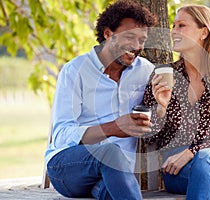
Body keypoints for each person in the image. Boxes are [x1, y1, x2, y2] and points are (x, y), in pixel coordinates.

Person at [45, 1, 157, 199]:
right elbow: (62, 135)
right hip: (68, 167)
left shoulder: (145, 70)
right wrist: (112, 128)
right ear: (107, 34)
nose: (137, 46)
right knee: (110, 152)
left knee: (108, 191)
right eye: (129, 37)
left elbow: (155, 125)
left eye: (142, 40)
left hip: (117, 174)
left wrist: (162, 103)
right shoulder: (75, 71)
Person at [143, 4, 210, 200]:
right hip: (178, 169)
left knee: (205, 159)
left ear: (204, 32)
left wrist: (193, 152)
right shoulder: (163, 76)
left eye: (181, 26)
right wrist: (161, 107)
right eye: (173, 26)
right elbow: (149, 137)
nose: (173, 31)